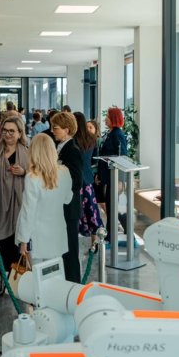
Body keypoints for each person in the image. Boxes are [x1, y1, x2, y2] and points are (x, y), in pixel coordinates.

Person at [0, 116, 29, 295]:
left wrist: (24, 172)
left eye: (12, 131)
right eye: (5, 130)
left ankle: (17, 283)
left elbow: (35, 176)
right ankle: (0, 279)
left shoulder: (26, 152)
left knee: (16, 244)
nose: (8, 134)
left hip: (18, 204)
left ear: (20, 133)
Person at [16, 134, 73, 265]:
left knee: (37, 275)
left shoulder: (32, 177)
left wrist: (23, 239)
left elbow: (28, 212)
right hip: (57, 235)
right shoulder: (65, 172)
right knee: (56, 274)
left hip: (37, 238)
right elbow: (68, 199)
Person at [49, 112, 83, 283]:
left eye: (55, 128)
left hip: (69, 208)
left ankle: (73, 287)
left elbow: (77, 181)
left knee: (70, 251)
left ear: (67, 130)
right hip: (61, 207)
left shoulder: (72, 150)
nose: (52, 130)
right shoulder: (60, 147)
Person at [96, 106, 129, 239]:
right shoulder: (111, 134)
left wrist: (121, 180)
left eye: (107, 117)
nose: (105, 120)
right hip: (110, 177)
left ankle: (115, 235)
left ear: (114, 119)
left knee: (115, 208)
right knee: (112, 207)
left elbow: (122, 157)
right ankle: (113, 235)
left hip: (115, 178)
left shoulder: (117, 134)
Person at [73, 112, 104, 242]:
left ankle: (74, 240)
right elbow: (94, 160)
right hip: (87, 178)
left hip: (75, 180)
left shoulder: (72, 140)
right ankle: (94, 242)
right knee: (91, 210)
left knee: (75, 212)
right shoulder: (91, 139)